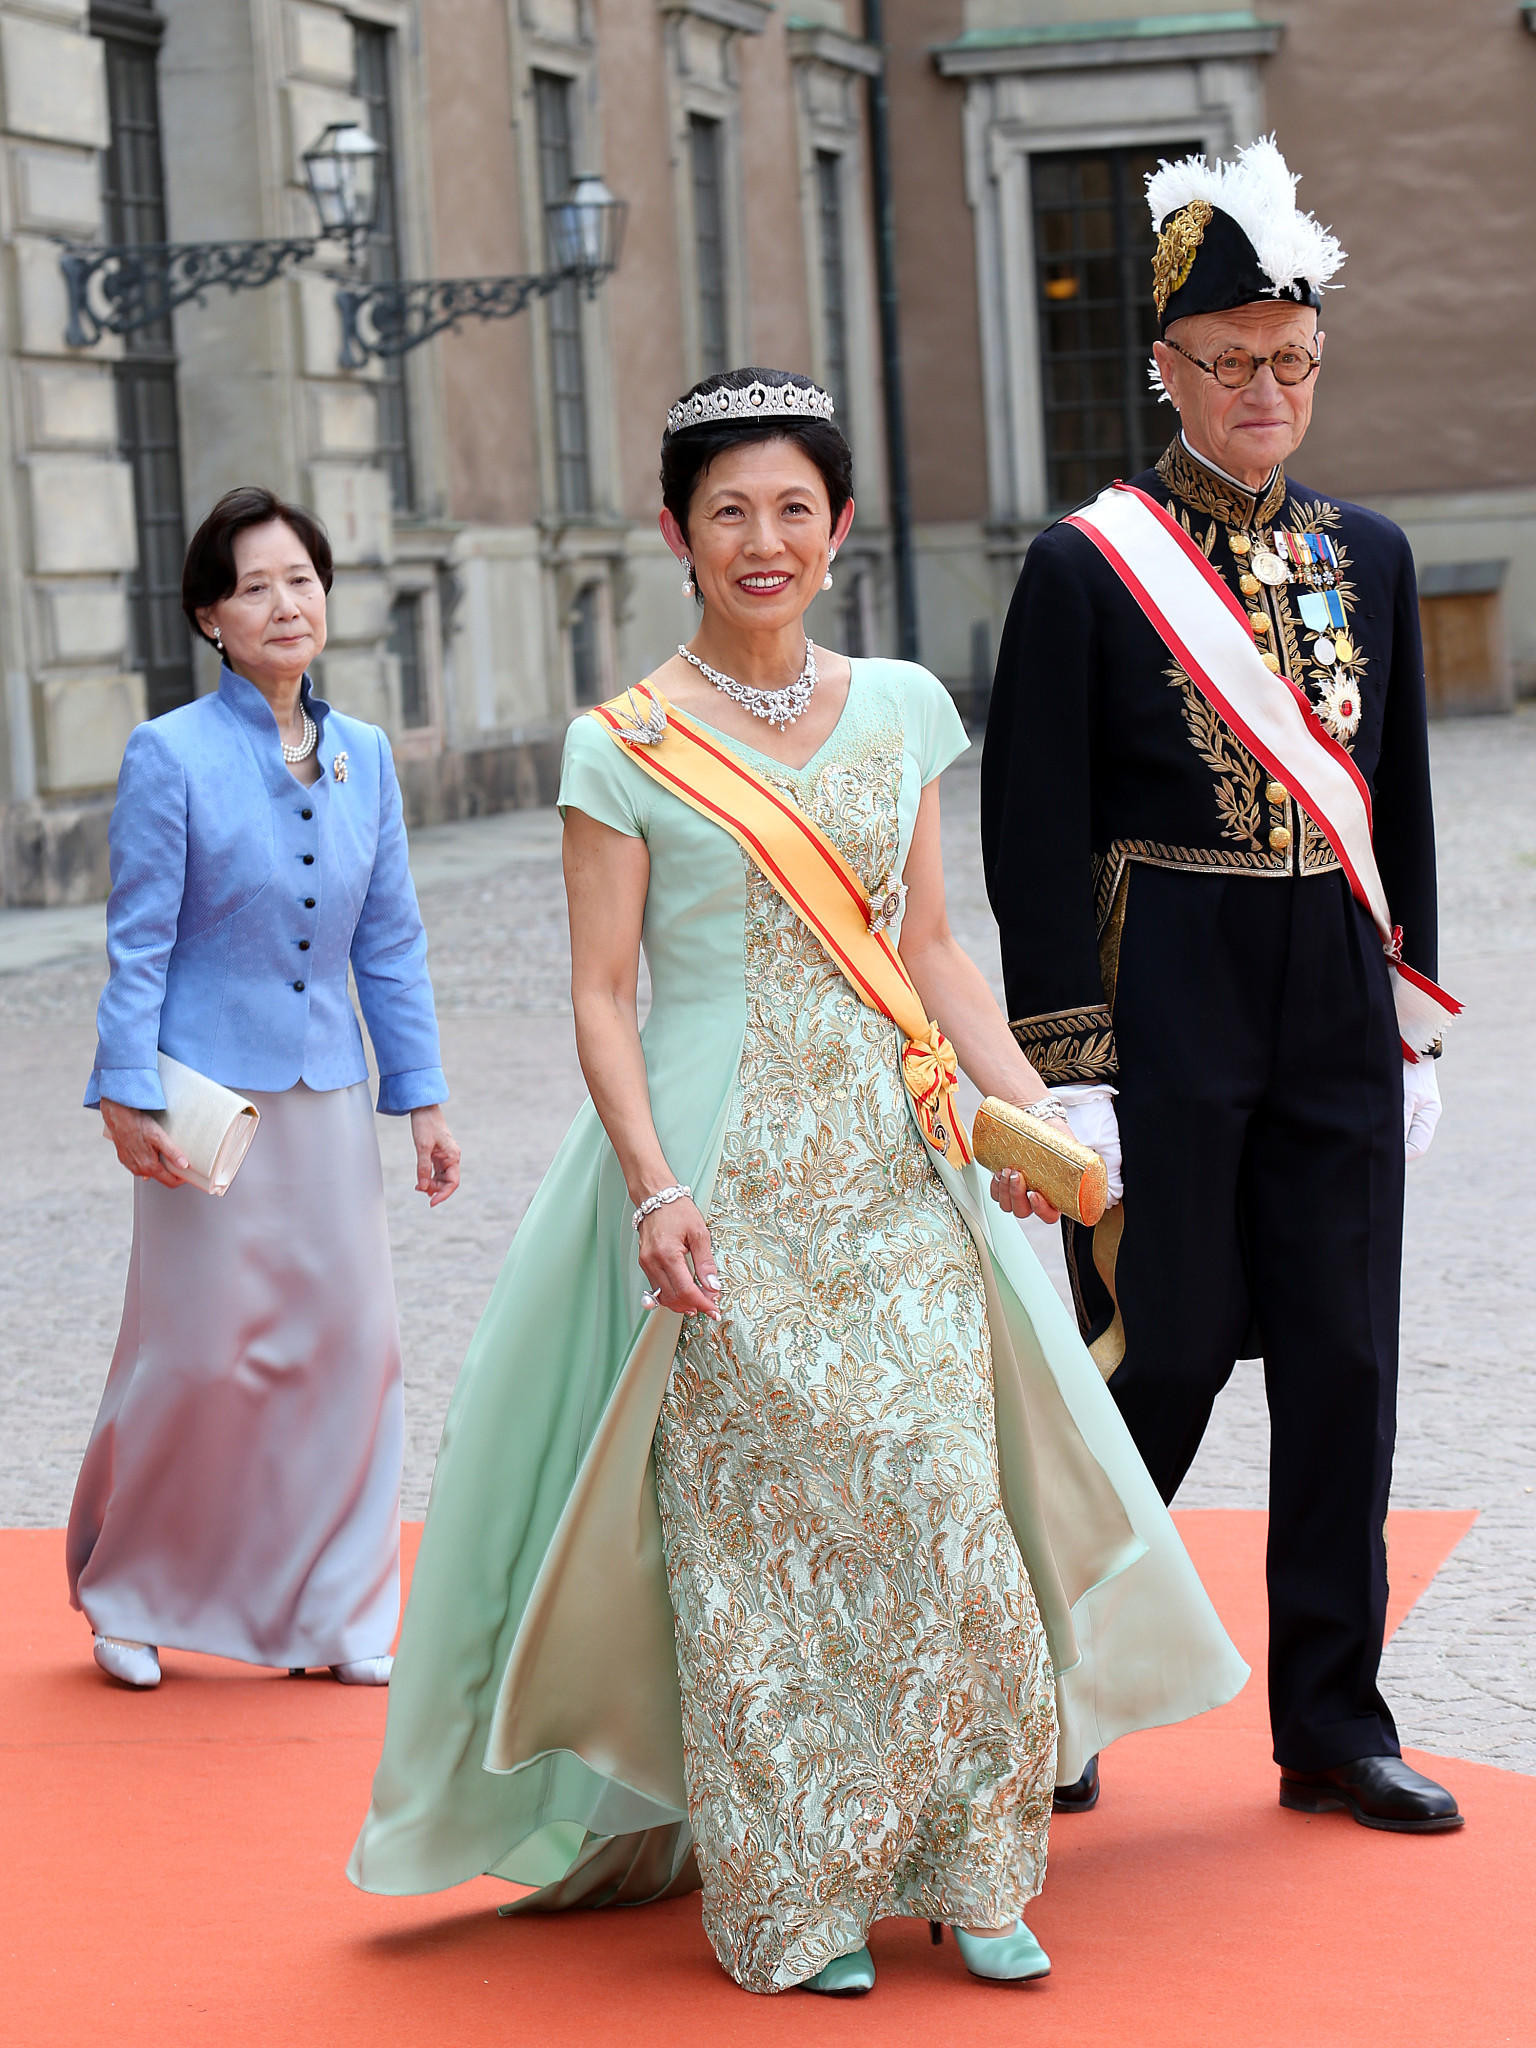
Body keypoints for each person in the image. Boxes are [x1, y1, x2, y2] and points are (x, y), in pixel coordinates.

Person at [347, 366, 1246, 1996]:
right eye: (727, 512)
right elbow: (604, 993)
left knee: (951, 1514)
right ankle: (797, 1892)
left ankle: (978, 1864)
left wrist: (1038, 1112)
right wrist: (650, 1183)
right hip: (725, 1172)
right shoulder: (618, 743)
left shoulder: (902, 705)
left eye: (793, 509)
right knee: (761, 1551)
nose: (763, 539)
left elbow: (926, 948)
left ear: (837, 527)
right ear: (678, 535)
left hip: (901, 1168)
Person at [981, 139, 1462, 1832]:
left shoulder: (1375, 553)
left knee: (1343, 1357)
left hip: (1329, 968)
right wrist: (1069, 1063)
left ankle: (1332, 1716)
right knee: (1155, 1347)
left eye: (1293, 358)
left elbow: (1394, 792)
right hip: (1162, 980)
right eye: (1235, 358)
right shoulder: (1087, 567)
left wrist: (1408, 999)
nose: (1268, 388)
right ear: (1166, 369)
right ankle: (1062, 1684)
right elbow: (1031, 828)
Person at [68, 485, 459, 1692]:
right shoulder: (169, 753)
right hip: (205, 1102)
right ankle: (130, 1591)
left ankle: (337, 1610)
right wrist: (124, 1089)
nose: (285, 603)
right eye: (254, 586)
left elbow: (388, 940)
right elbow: (138, 939)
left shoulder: (367, 755)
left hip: (331, 1091)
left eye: (301, 578)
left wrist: (424, 1097)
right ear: (211, 620)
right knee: (196, 1353)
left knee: (352, 1349)